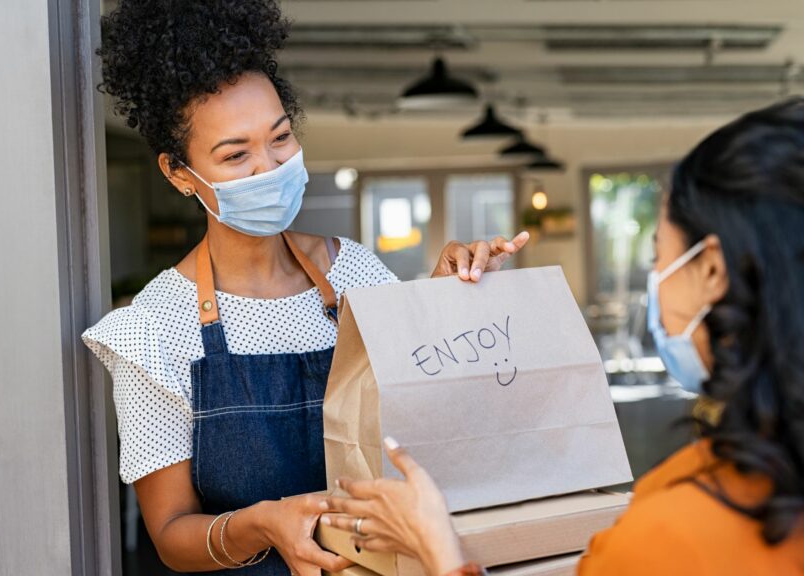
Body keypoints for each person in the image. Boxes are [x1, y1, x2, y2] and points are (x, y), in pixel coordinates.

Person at [82, 2, 528, 575]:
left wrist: (444, 298)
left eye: (281, 138)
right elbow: (170, 534)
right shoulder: (153, 331)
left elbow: (421, 405)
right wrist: (263, 523)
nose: (268, 167)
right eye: (236, 154)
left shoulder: (357, 274)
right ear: (177, 173)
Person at [323, 98, 804, 575]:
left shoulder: (673, 537)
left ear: (713, 270)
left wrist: (436, 549)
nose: (656, 274)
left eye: (659, 254)